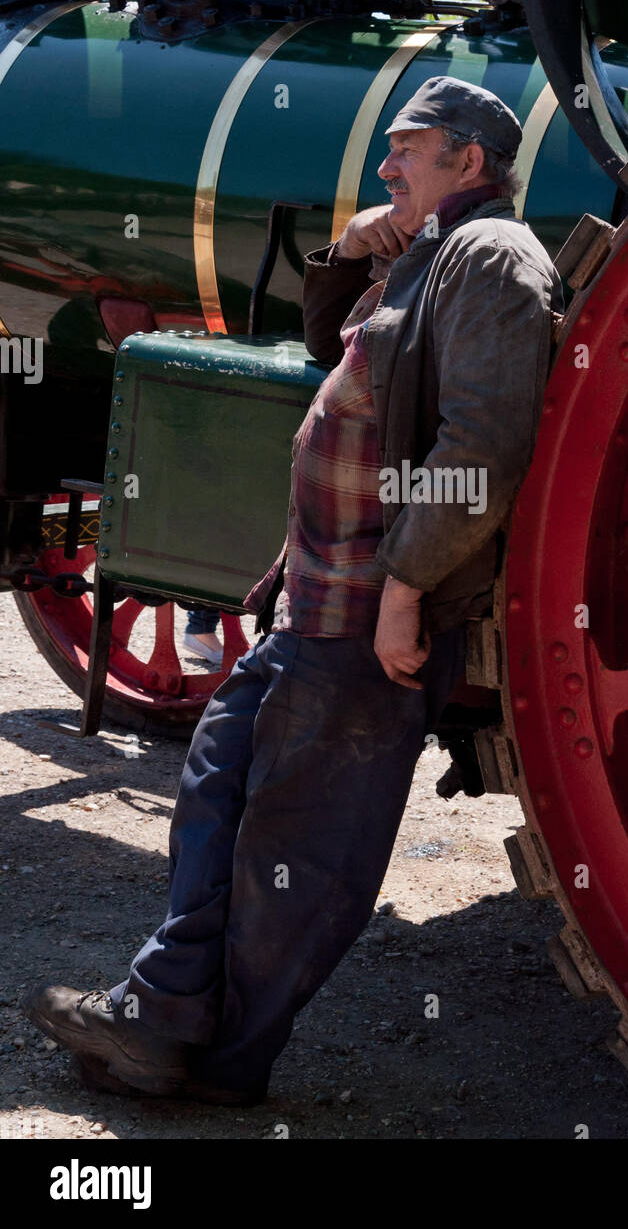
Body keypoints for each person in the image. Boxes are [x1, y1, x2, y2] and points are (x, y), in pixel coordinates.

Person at [25, 76, 563, 1105]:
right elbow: (334, 355)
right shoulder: (423, 256)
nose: (386, 165)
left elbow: (481, 447)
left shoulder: (493, 258)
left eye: (406, 148)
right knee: (219, 786)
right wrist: (354, 253)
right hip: (314, 594)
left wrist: (406, 587)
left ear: (469, 162)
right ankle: (165, 1011)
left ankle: (218, 1061)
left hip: (371, 606)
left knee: (300, 843)